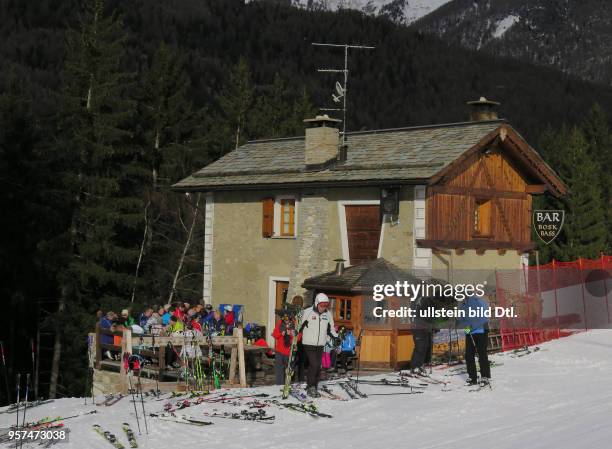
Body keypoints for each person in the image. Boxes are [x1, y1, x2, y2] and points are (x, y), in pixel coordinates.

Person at [299, 293, 339, 397]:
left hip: (320, 344)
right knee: (314, 365)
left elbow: (331, 328)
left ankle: (313, 386)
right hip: (309, 344)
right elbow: (298, 325)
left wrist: (336, 337)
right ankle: (311, 387)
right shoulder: (307, 312)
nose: (323, 308)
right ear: (317, 303)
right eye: (322, 305)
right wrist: (295, 331)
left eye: (326, 305)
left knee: (318, 366)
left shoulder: (328, 314)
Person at [457, 294, 491, 386]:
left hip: (481, 330)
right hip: (470, 332)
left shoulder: (478, 301)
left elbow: (484, 317)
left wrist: (471, 325)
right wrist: (465, 327)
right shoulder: (462, 305)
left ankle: (485, 376)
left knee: (482, 354)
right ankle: (473, 377)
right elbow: (461, 319)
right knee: (469, 355)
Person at [410, 296, 438, 376]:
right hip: (418, 328)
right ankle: (415, 367)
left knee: (425, 347)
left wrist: (435, 327)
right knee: (420, 347)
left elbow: (432, 316)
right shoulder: (421, 300)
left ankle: (420, 365)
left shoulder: (430, 302)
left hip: (425, 328)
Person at [272, 312, 296, 385]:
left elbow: (298, 337)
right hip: (279, 350)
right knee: (279, 369)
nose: (286, 320)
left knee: (289, 369)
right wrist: (281, 334)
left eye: (288, 319)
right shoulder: (280, 324)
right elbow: (274, 335)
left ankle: (288, 384)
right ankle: (279, 385)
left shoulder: (294, 325)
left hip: (290, 351)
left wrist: (292, 334)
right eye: (285, 319)